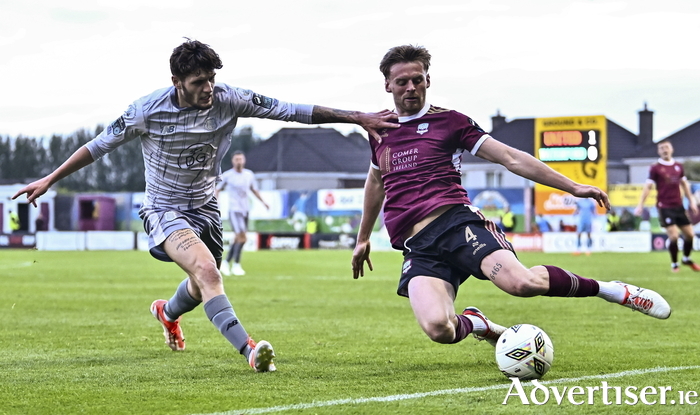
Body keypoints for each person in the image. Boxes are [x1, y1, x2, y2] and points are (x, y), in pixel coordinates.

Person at [12, 39, 398, 373]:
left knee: (201, 285)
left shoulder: (229, 98)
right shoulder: (146, 110)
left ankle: (167, 313)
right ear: (176, 83)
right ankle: (250, 350)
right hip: (164, 210)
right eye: (199, 82)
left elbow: (292, 109)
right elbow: (97, 146)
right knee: (209, 271)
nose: (209, 88)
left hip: (206, 209)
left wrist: (357, 117)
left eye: (211, 79)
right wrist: (50, 178)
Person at [351, 44, 671, 352]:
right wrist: (363, 237)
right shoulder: (379, 128)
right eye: (402, 81)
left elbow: (510, 158)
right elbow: (376, 181)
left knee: (523, 284)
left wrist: (573, 187)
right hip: (417, 245)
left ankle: (613, 290)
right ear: (387, 85)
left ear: (428, 80)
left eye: (417, 80)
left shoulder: (450, 122)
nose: (410, 87)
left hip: (456, 225)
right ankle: (482, 325)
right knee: (440, 329)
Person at [634, 140, 700, 272]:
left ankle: (686, 258)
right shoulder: (655, 168)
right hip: (664, 207)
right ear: (658, 151)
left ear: (671, 149)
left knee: (690, 235)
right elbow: (648, 186)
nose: (664, 150)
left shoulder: (678, 166)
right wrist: (640, 204)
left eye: (666, 147)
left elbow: (685, 185)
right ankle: (675, 264)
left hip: (679, 206)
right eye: (662, 148)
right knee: (674, 236)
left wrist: (692, 201)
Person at [215, 151, 267, 277]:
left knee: (240, 238)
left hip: (245, 210)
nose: (239, 161)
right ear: (233, 161)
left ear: (244, 160)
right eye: (236, 159)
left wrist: (264, 202)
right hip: (234, 210)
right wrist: (217, 201)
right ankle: (235, 264)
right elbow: (218, 189)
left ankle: (227, 263)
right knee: (241, 236)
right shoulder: (227, 175)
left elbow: (254, 189)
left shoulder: (249, 175)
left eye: (240, 159)